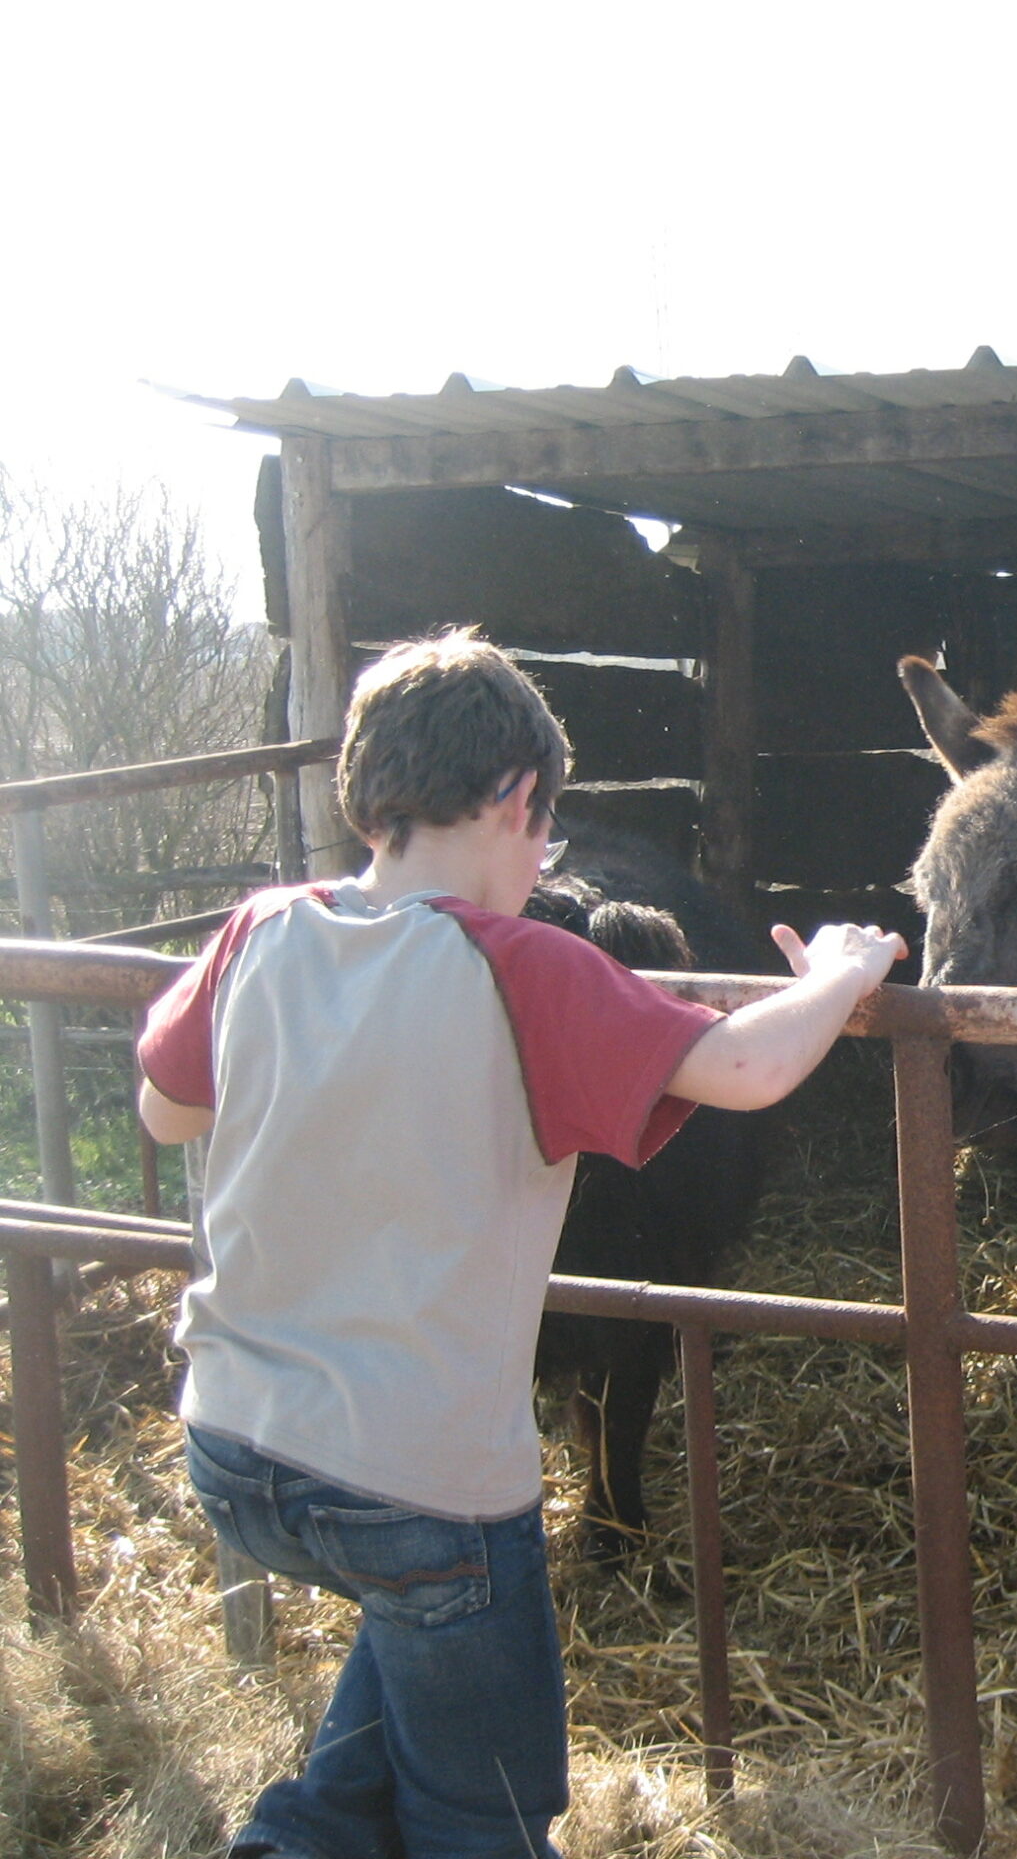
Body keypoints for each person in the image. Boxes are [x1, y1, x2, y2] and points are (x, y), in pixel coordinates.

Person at [136, 630, 907, 1859]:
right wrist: (839, 971)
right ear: (514, 800)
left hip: (235, 1447)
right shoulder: (524, 967)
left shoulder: (258, 930)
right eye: (542, 829)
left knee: (368, 1741)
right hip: (418, 1493)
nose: (544, 855)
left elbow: (165, 1107)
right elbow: (749, 1067)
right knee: (481, 1818)